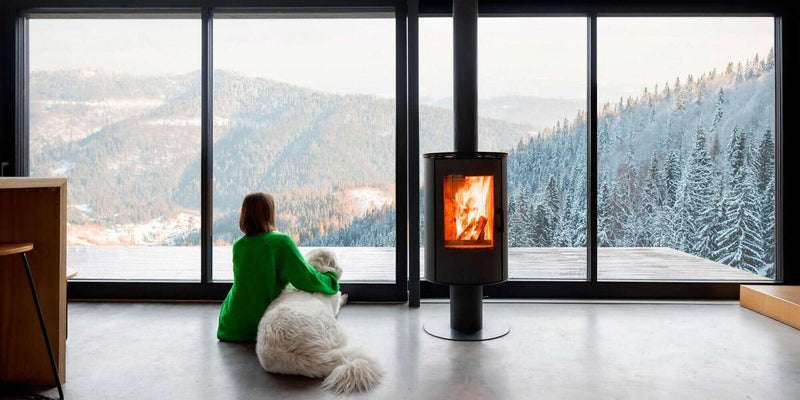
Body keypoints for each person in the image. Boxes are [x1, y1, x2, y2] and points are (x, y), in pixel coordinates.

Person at [217, 192, 339, 341]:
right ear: (270, 214)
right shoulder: (281, 242)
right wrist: (330, 280)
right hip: (263, 324)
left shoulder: (239, 245)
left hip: (230, 326)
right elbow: (305, 279)